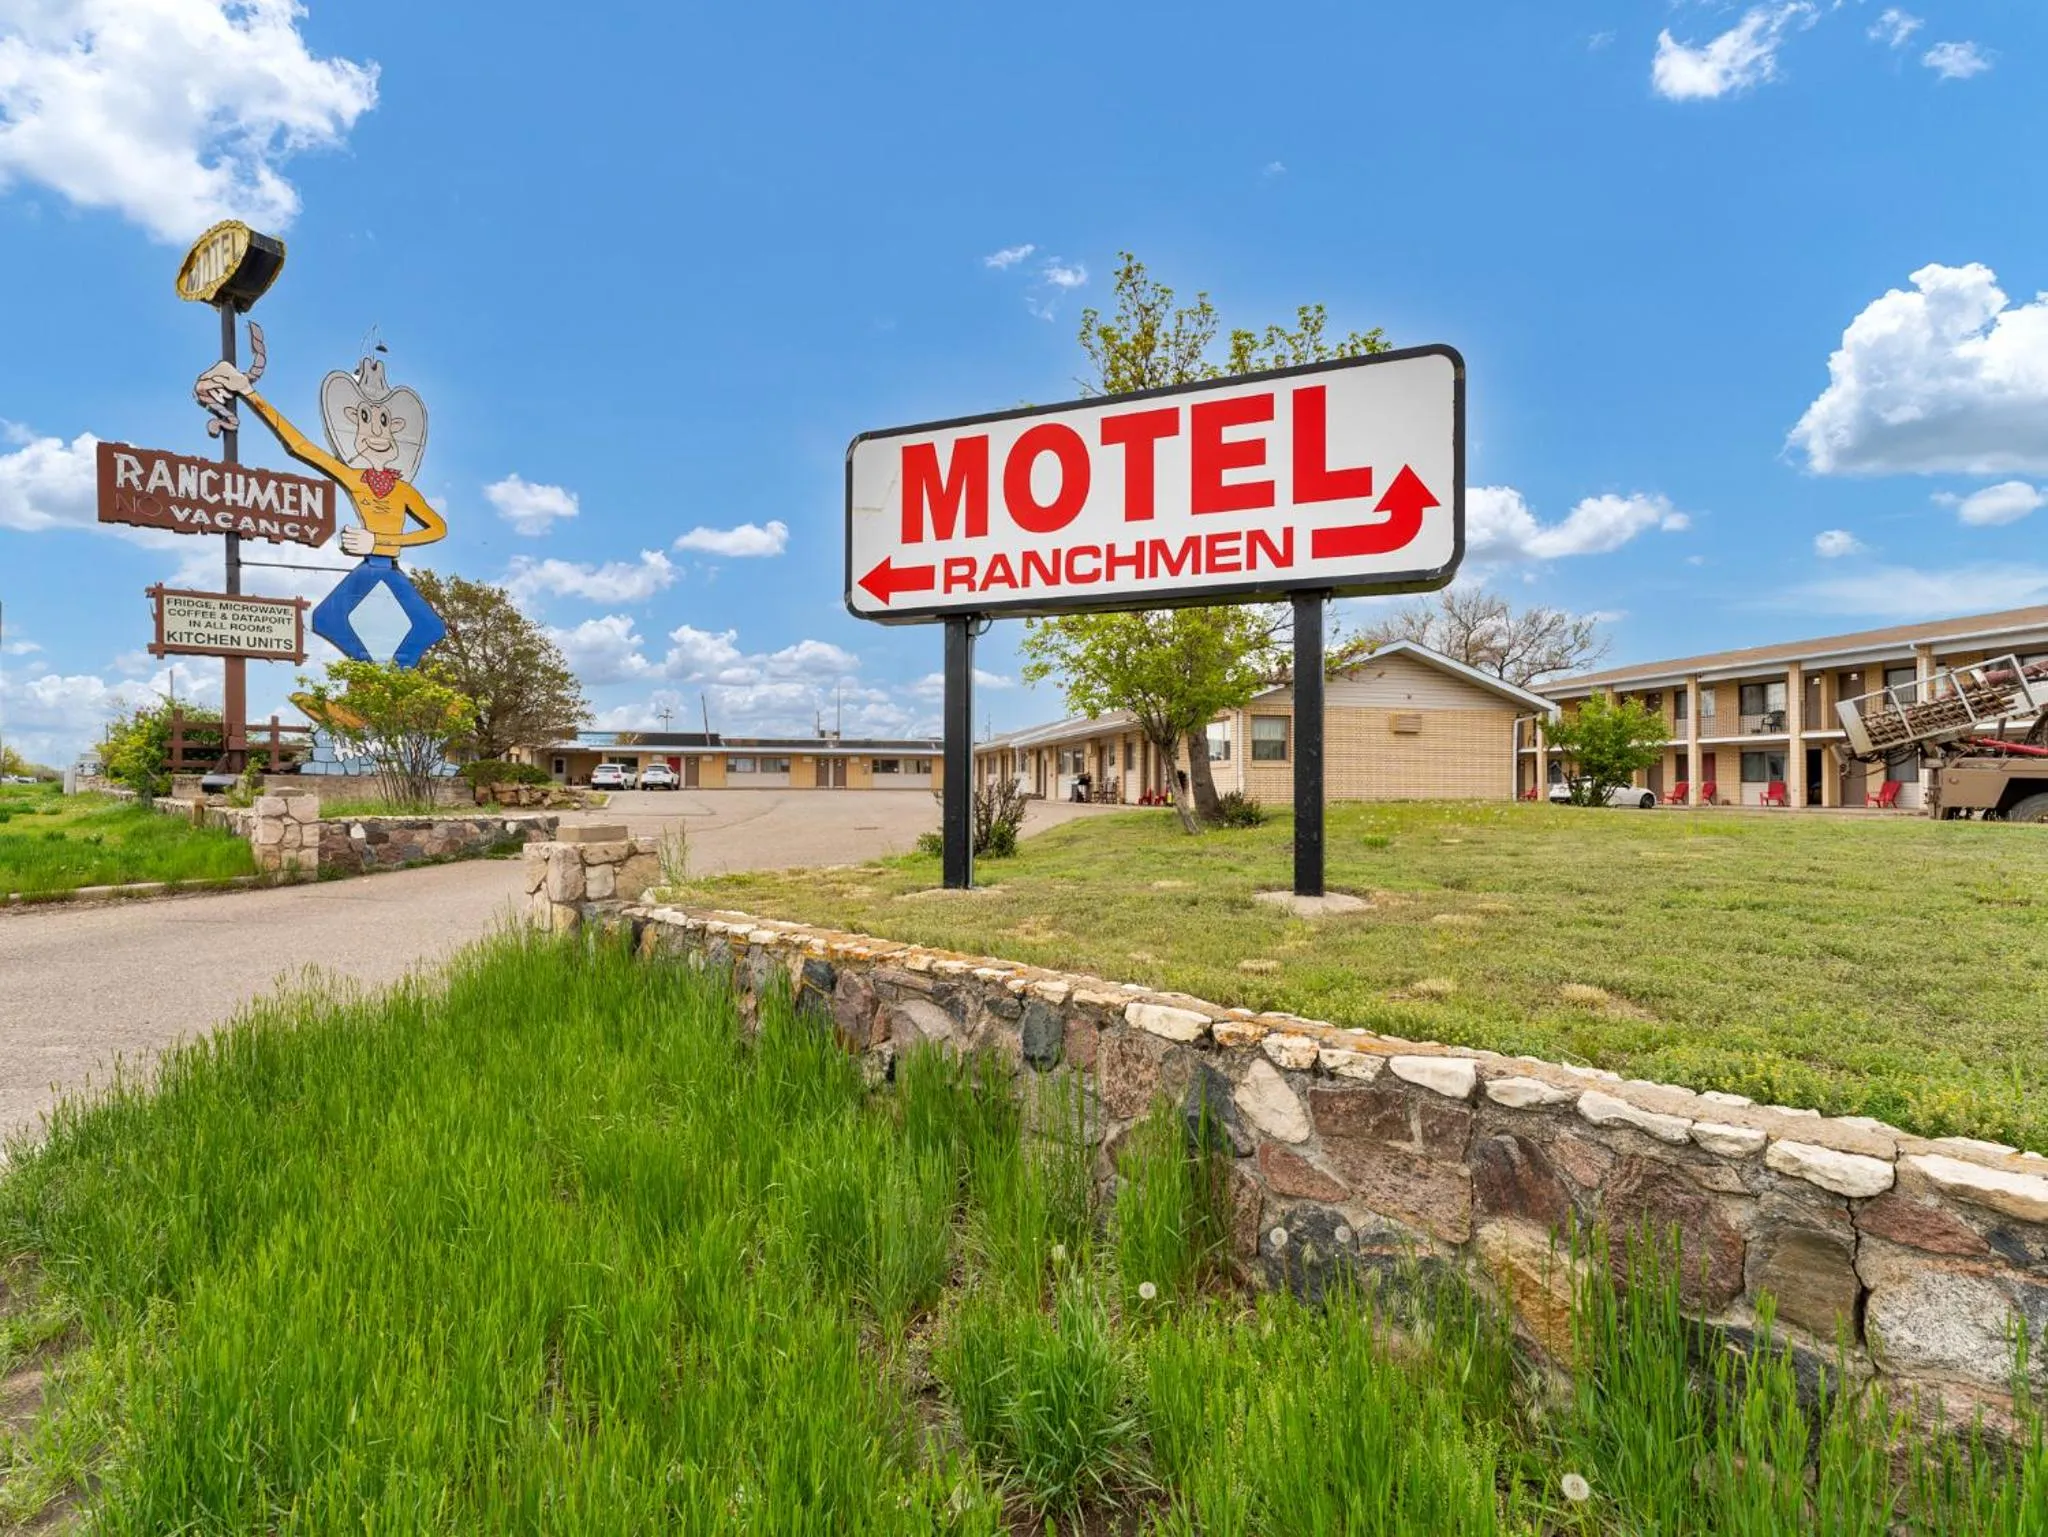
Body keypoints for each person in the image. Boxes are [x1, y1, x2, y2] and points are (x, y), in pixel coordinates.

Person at [195, 353, 447, 667]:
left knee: (430, 627)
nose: (378, 434)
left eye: (385, 423)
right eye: (366, 421)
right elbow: (299, 446)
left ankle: (395, 678)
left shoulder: (404, 490)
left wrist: (378, 541)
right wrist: (249, 393)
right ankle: (372, 675)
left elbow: (438, 528)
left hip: (386, 563)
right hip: (370, 565)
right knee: (328, 618)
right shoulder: (354, 477)